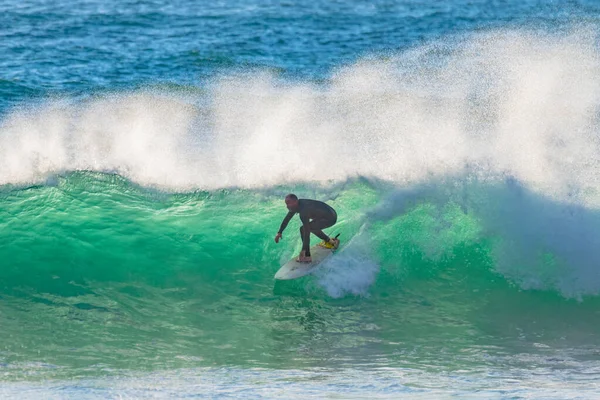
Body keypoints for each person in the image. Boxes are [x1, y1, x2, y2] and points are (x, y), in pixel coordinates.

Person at [274, 194, 339, 263]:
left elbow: (306, 232)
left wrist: (304, 250)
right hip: (327, 214)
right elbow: (287, 218)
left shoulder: (303, 211)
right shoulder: (296, 206)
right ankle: (330, 241)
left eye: (288, 204)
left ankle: (307, 256)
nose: (287, 206)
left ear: (295, 202)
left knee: (303, 229)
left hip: (330, 218)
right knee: (311, 228)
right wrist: (279, 232)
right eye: (286, 204)